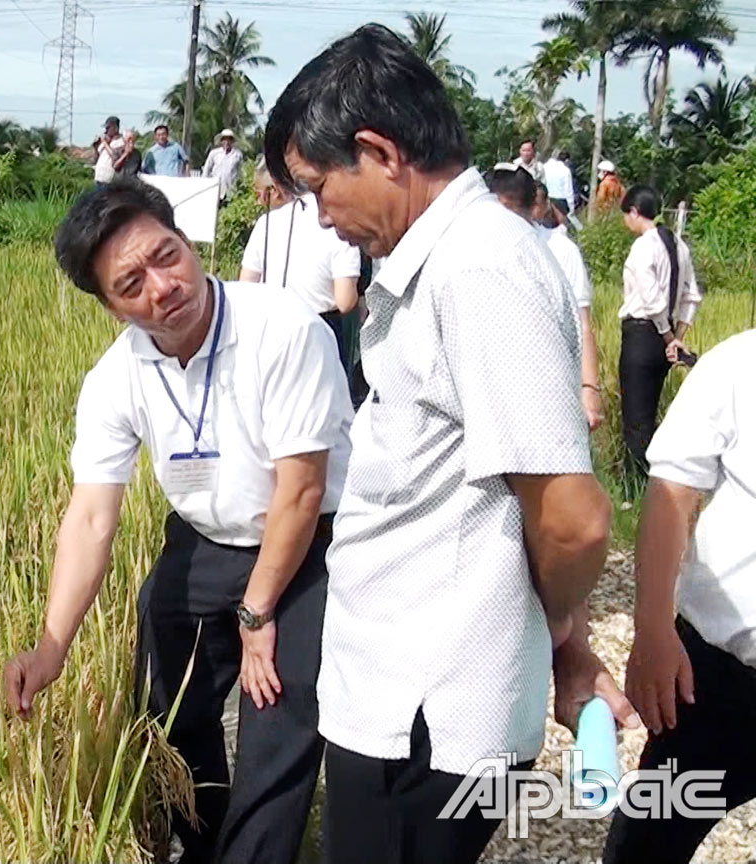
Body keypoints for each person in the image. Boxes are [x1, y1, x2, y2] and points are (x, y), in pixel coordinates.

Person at [265, 25, 633, 864]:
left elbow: (572, 520)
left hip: (425, 715)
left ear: (379, 153)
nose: (323, 219)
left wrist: (563, 635)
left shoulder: (479, 272)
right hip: (397, 695)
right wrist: (571, 648)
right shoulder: (447, 263)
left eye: (319, 189)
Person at [3, 178, 352, 863]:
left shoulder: (283, 329)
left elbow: (302, 491)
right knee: (167, 703)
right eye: (131, 284)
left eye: (166, 256)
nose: (162, 287)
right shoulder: (116, 377)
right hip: (205, 541)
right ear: (110, 307)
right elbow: (91, 517)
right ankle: (203, 840)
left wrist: (257, 613)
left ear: (187, 242)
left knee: (276, 722)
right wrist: (51, 647)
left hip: (311, 542)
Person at [605, 328, 756, 864]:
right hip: (721, 675)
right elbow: (671, 490)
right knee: (649, 842)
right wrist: (651, 631)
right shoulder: (737, 365)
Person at [487, 166, 603, 430]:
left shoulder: (561, 251)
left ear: (533, 209)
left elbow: (583, 323)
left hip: (550, 384)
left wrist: (589, 388)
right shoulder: (476, 249)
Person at [617, 185, 704, 478]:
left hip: (642, 335)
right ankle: (646, 480)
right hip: (664, 339)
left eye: (626, 215)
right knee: (649, 412)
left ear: (634, 212)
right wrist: (677, 337)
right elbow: (692, 296)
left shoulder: (644, 246)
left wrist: (669, 337)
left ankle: (636, 484)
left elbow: (651, 297)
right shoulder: (679, 245)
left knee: (636, 419)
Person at [238, 181, 361, 371]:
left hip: (271, 329)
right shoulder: (338, 225)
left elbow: (246, 287)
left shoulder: (266, 223)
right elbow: (345, 302)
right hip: (321, 332)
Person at [203, 128, 244, 201]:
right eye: (224, 139)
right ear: (221, 141)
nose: (227, 142)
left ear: (232, 141)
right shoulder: (214, 153)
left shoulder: (237, 155)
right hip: (216, 190)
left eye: (229, 140)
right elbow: (206, 170)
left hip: (231, 191)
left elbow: (241, 172)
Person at [92, 116, 126, 185]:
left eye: (108, 128)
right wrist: (96, 147)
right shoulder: (106, 141)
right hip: (99, 177)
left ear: (115, 128)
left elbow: (115, 157)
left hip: (109, 178)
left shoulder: (120, 142)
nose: (106, 131)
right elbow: (96, 158)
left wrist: (105, 144)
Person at [543, 147, 575, 211]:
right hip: (561, 201)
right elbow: (568, 190)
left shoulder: (543, 167)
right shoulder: (566, 170)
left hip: (546, 200)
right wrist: (571, 207)